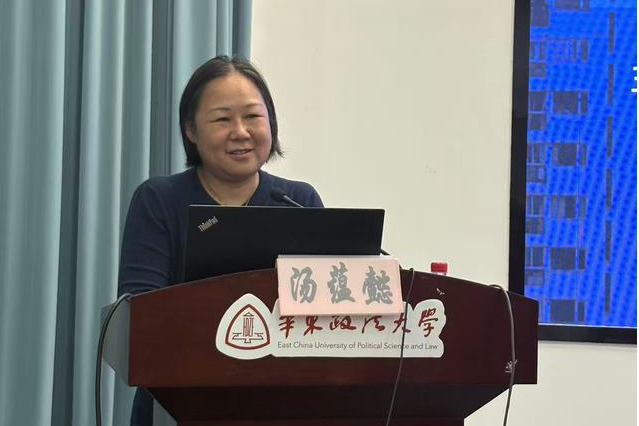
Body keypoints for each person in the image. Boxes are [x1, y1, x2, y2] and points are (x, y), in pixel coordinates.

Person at [117, 55, 323, 426]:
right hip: (177, 406)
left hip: (283, 406)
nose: (240, 132)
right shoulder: (159, 200)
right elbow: (140, 315)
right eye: (222, 119)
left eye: (253, 116)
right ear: (191, 130)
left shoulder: (299, 201)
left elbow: (328, 314)